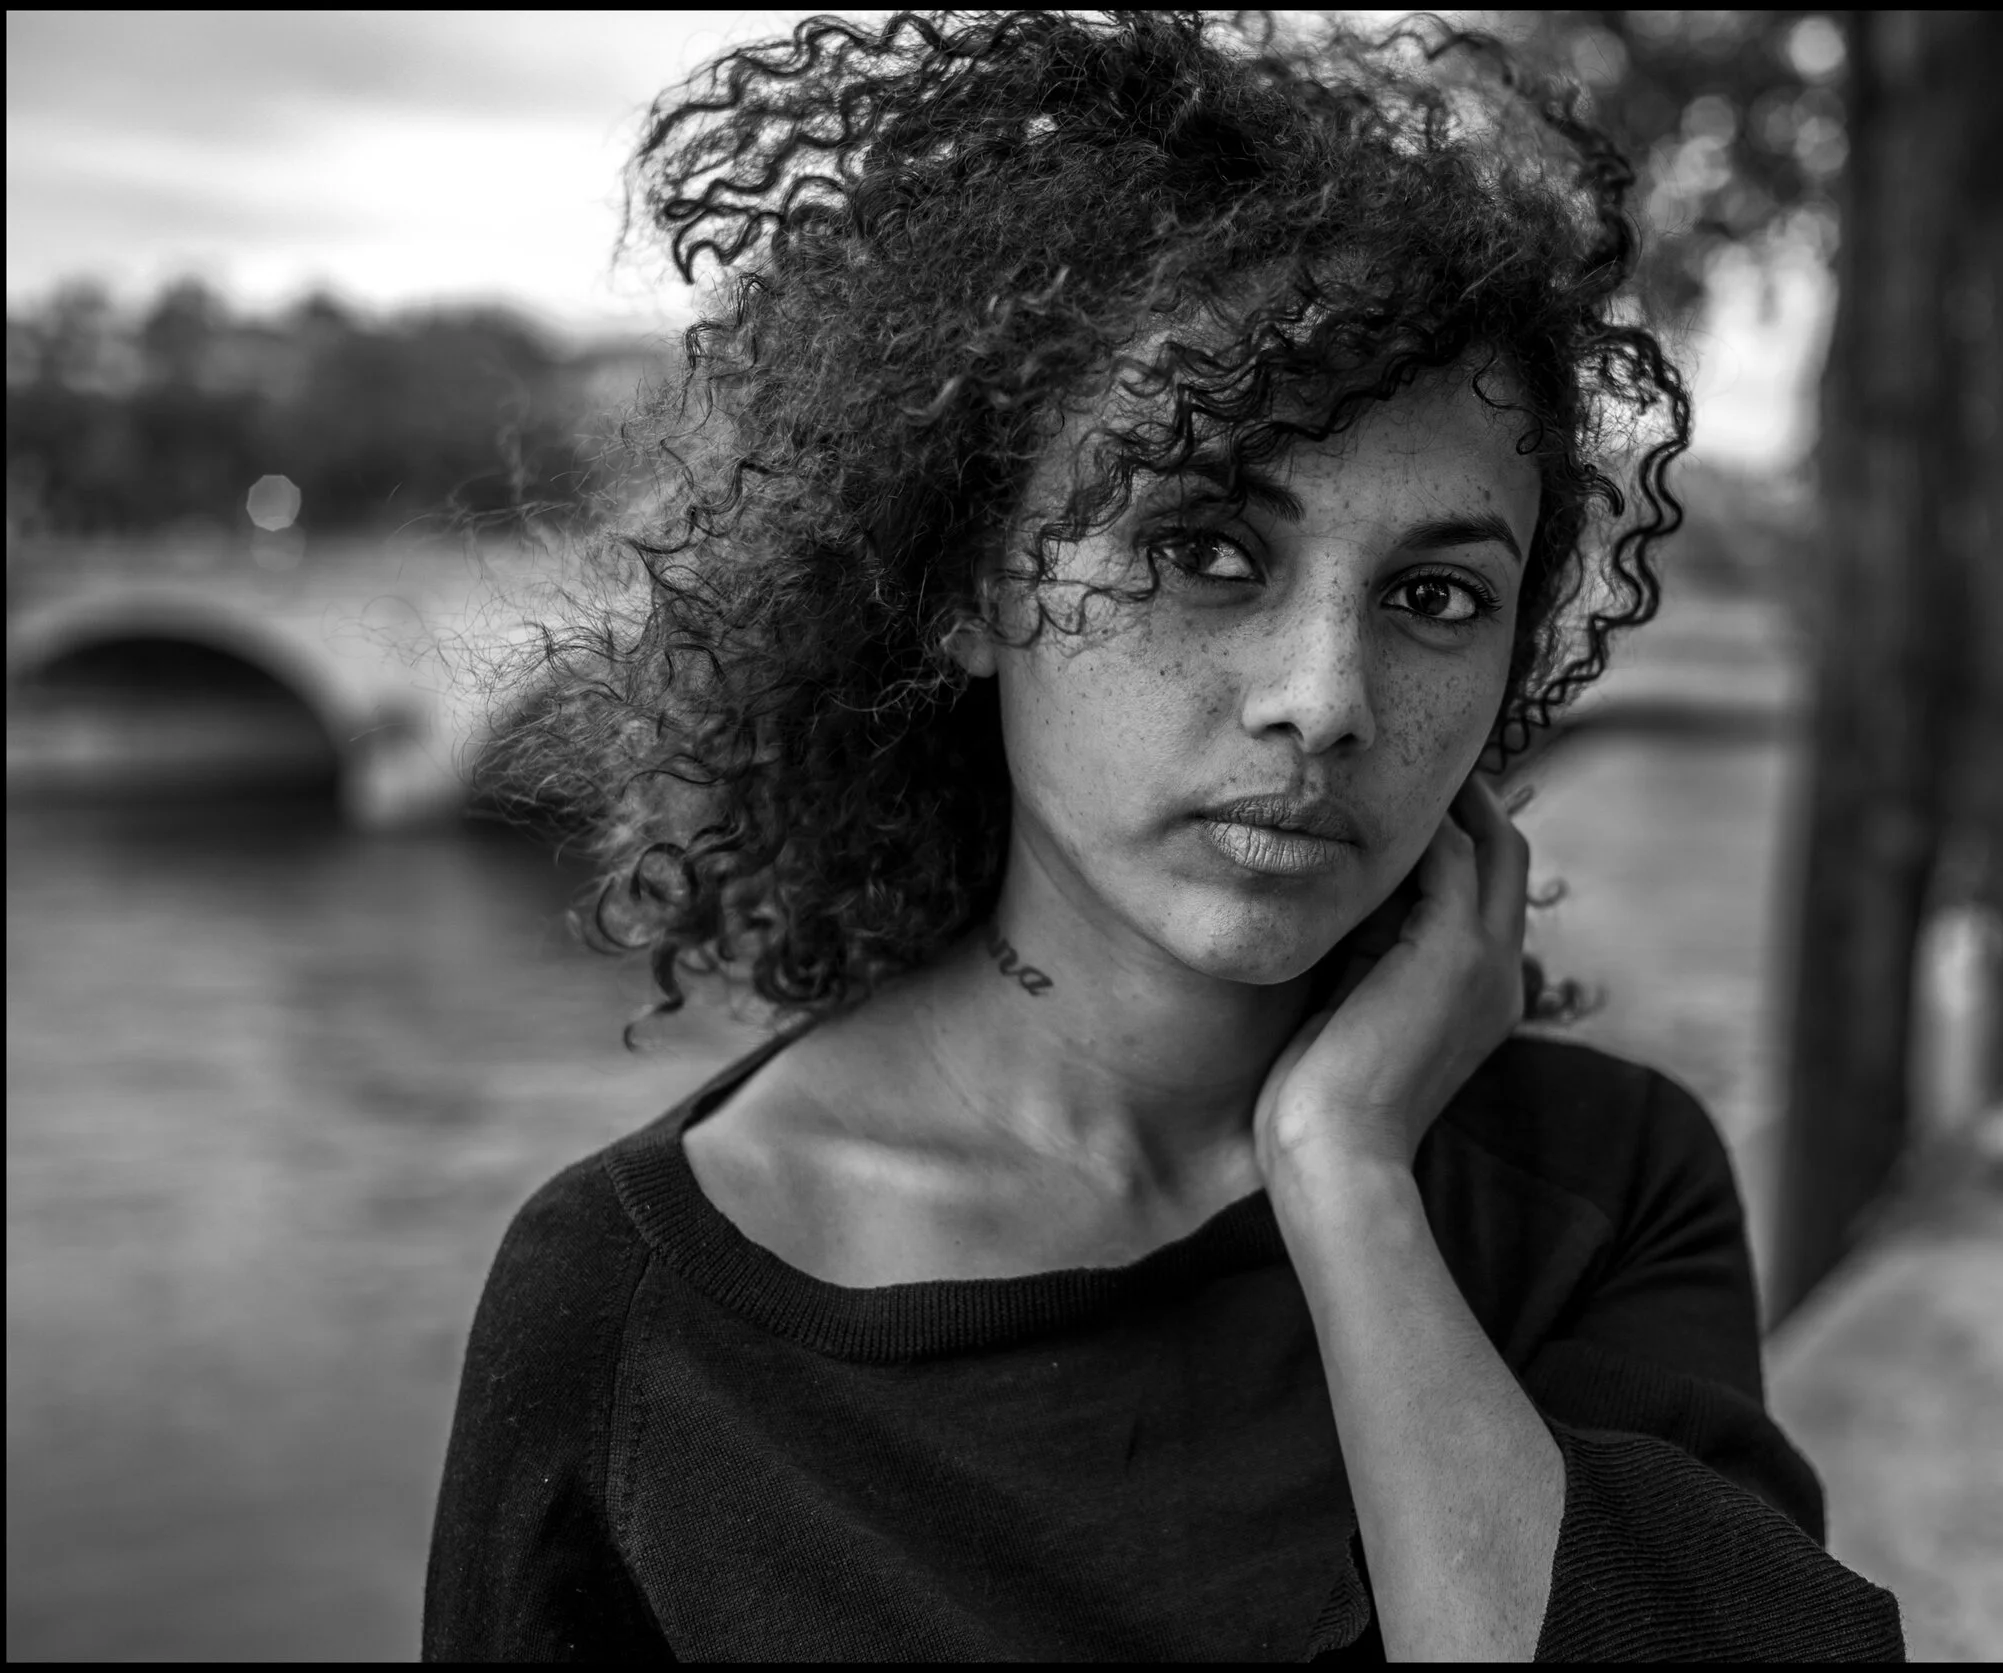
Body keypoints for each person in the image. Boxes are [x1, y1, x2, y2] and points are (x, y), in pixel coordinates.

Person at [424, 10, 1906, 1661]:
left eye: (1434, 596)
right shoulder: (631, 1314)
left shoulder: (1601, 1190)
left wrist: (1345, 1182)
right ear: (972, 591)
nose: (1324, 698)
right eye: (1206, 550)